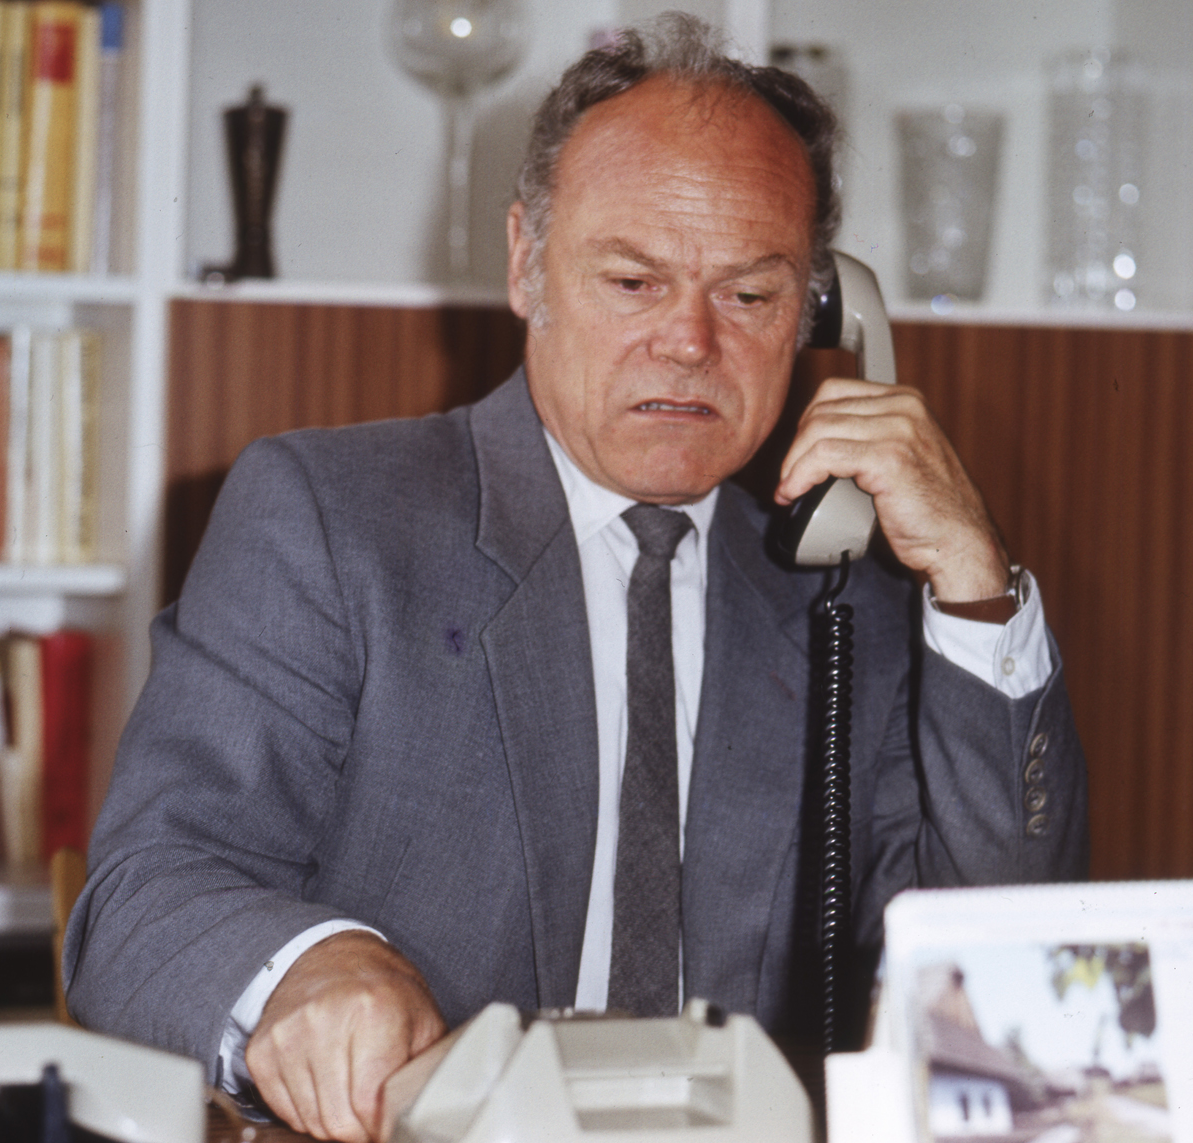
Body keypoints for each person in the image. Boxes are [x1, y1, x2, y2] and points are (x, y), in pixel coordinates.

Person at [64, 15, 1087, 1143]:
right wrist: (306, 969)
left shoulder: (855, 605)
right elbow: (143, 899)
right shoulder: (330, 519)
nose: (689, 342)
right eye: (635, 280)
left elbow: (1004, 980)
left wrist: (974, 585)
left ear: (819, 311)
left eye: (750, 296)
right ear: (525, 263)